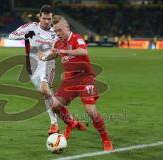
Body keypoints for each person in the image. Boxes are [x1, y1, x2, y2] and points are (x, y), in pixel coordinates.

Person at [38, 15, 113, 151]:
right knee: (54, 105)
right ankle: (72, 123)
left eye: (60, 30)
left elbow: (83, 51)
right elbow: (55, 54)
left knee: (90, 111)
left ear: (67, 28)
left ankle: (105, 139)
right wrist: (45, 56)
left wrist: (63, 51)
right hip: (69, 80)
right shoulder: (57, 43)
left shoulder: (76, 38)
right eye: (56, 31)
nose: (58, 33)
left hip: (85, 78)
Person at [8, 5, 59, 135]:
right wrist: (26, 35)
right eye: (44, 18)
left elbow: (57, 52)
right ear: (39, 17)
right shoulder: (31, 27)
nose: (47, 21)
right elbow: (11, 36)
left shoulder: (55, 34)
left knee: (45, 90)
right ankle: (62, 119)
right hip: (33, 66)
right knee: (46, 95)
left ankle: (55, 123)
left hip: (48, 64)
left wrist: (49, 55)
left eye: (49, 19)